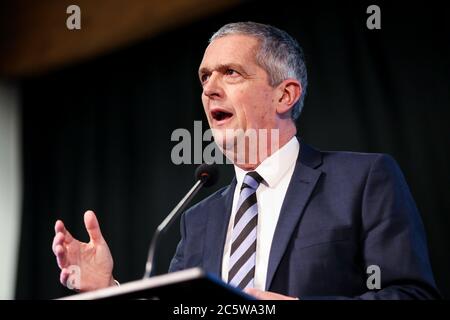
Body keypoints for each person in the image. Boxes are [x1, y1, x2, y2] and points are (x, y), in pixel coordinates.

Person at [52, 22, 440, 299]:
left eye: (230, 73)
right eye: (204, 78)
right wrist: (108, 289)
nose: (209, 90)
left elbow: (411, 293)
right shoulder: (197, 218)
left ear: (284, 95)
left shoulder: (363, 179)